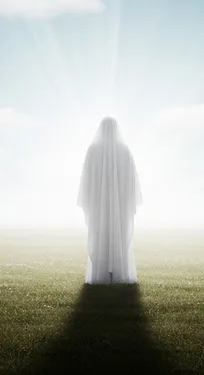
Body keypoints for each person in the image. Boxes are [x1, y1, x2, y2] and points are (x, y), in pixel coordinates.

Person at [77, 116, 143, 284]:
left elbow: (86, 180)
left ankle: (101, 273)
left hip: (98, 205)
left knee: (100, 233)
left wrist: (89, 199)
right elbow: (131, 181)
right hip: (120, 204)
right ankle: (118, 271)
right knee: (118, 233)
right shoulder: (125, 150)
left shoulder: (93, 150)